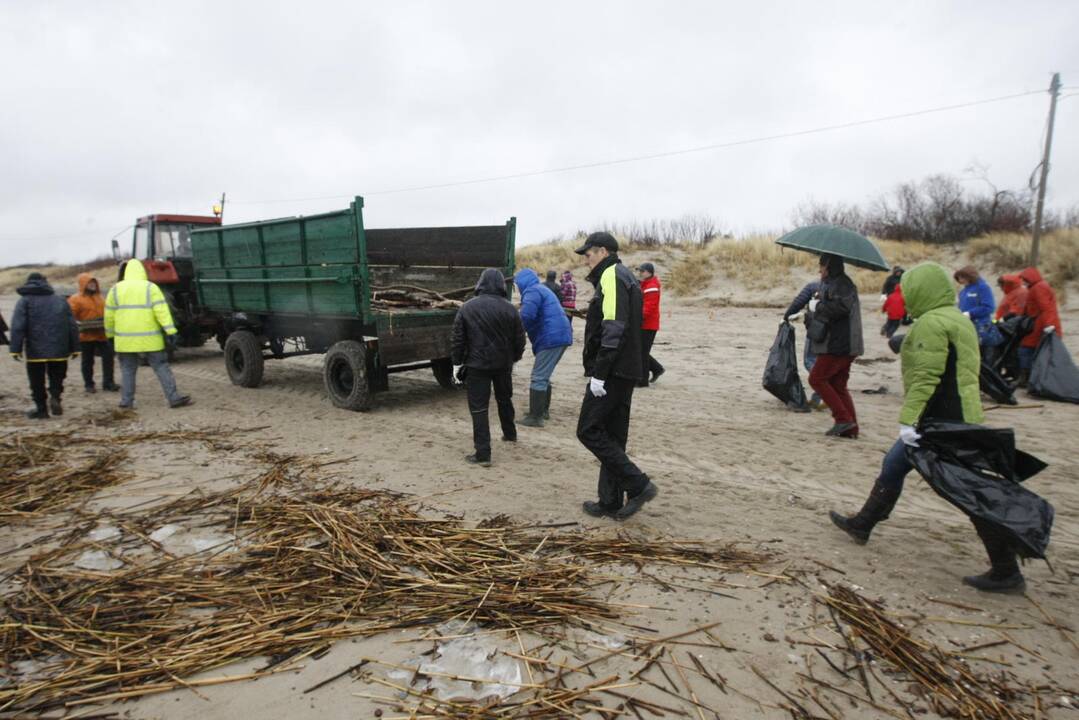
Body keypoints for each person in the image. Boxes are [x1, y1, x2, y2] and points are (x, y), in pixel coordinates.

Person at [830, 262, 1026, 593]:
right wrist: (908, 343)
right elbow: (951, 363)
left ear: (923, 291)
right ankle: (863, 524)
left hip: (937, 420)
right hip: (958, 413)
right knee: (895, 463)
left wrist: (910, 422)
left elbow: (926, 378)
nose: (905, 297)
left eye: (908, 291)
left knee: (964, 490)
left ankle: (1007, 569)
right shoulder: (953, 319)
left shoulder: (931, 326)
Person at [575, 232, 657, 520]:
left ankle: (638, 484)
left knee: (587, 429)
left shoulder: (611, 274)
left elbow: (614, 326)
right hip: (628, 367)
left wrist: (600, 372)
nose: (585, 260)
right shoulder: (626, 276)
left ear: (602, 251)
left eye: (588, 254)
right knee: (613, 435)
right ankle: (609, 500)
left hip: (614, 369)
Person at [450, 268, 526, 466]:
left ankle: (483, 453)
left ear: (480, 284)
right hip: (503, 364)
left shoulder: (467, 307)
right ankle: (510, 434)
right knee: (504, 399)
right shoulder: (510, 309)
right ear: (501, 285)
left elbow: (458, 340)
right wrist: (514, 358)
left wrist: (457, 364)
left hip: (477, 366)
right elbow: (520, 339)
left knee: (479, 408)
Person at [104, 259, 192, 410]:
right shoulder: (151, 288)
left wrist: (110, 335)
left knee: (128, 369)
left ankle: (127, 402)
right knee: (161, 366)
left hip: (125, 341)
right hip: (150, 339)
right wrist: (171, 331)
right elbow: (162, 312)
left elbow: (109, 316)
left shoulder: (115, 290)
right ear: (142, 271)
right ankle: (173, 398)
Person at [8, 272, 79, 419]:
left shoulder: (24, 301)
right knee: (57, 376)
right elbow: (72, 325)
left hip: (35, 350)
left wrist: (15, 349)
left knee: (36, 380)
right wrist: (75, 347)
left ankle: (41, 409)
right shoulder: (60, 300)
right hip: (59, 348)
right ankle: (55, 396)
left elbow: (18, 326)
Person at [807, 254, 863, 438]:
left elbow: (841, 308)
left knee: (816, 379)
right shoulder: (837, 283)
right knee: (838, 384)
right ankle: (851, 427)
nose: (820, 270)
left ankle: (843, 420)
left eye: (822, 266)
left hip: (839, 344)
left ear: (829, 267)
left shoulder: (842, 284)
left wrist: (818, 306)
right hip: (845, 343)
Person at [514, 268, 572, 427]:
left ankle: (535, 417)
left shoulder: (532, 291)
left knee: (539, 376)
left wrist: (515, 334)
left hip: (551, 337)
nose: (517, 287)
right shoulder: (540, 289)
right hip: (560, 335)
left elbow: (527, 315)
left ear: (522, 282)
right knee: (544, 375)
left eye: (517, 284)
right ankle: (542, 411)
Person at [68, 272, 118, 393]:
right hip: (85, 336)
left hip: (102, 334)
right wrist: (79, 325)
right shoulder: (75, 299)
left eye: (94, 283)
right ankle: (89, 384)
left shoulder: (101, 298)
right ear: (83, 284)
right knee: (87, 361)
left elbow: (108, 313)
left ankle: (108, 383)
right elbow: (70, 317)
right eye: (90, 283)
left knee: (108, 358)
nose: (93, 285)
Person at [1016, 267, 1063, 387]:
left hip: (1041, 326)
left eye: (1025, 279)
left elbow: (1046, 308)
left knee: (1026, 349)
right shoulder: (1038, 287)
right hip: (1040, 325)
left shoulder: (1038, 288)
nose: (1023, 282)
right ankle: (1031, 378)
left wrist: (1049, 325)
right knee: (1034, 351)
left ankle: (1027, 378)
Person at [783, 280, 821, 410]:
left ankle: (824, 391)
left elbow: (798, 302)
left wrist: (786, 316)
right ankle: (820, 398)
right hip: (837, 334)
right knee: (826, 363)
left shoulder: (814, 286)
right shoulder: (844, 287)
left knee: (810, 360)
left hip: (817, 329)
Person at [954, 266, 1000, 350]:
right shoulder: (963, 292)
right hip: (966, 326)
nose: (960, 280)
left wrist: (970, 313)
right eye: (959, 278)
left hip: (981, 327)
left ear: (969, 276)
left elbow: (989, 307)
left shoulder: (983, 287)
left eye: (962, 277)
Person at [636, 262, 665, 387]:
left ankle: (643, 381)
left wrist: (638, 318)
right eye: (640, 271)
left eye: (642, 271)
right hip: (645, 324)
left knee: (641, 352)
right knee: (641, 350)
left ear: (649, 272)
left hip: (648, 325)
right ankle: (657, 369)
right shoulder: (645, 284)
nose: (640, 273)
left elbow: (649, 307)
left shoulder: (651, 286)